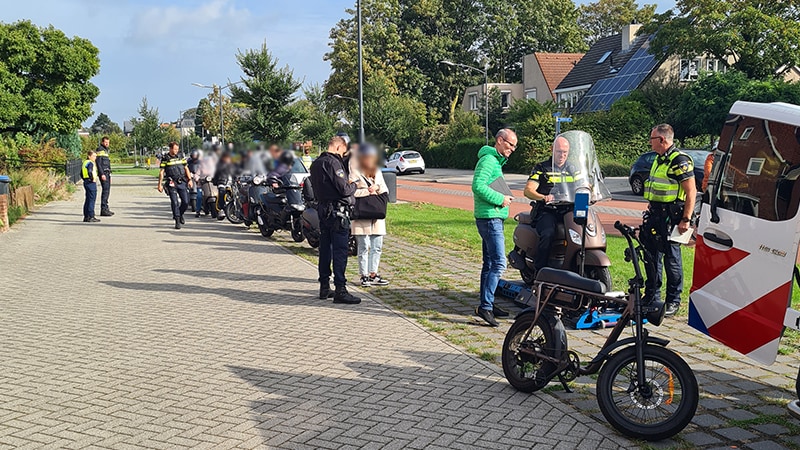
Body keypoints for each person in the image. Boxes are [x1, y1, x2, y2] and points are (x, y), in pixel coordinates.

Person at [643, 124, 696, 316]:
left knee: (672, 260)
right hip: (656, 214)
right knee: (651, 257)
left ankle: (673, 300)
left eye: (652, 139)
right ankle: (652, 296)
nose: (650, 142)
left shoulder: (679, 160)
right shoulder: (659, 159)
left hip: (673, 217)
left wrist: (686, 219)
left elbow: (691, 192)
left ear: (662, 140)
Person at [471, 129, 517, 327]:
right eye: (510, 144)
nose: (512, 149)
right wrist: (501, 199)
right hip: (490, 219)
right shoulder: (489, 160)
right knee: (499, 263)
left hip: (491, 217)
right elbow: (477, 185)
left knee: (489, 263)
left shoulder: (494, 160)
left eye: (514, 146)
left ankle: (487, 304)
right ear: (500, 140)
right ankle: (486, 307)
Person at [310, 135, 361, 304]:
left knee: (325, 249)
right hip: (337, 213)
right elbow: (344, 189)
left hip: (323, 211)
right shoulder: (333, 163)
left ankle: (324, 286)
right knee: (340, 251)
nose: (343, 156)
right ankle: (341, 289)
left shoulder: (316, 163)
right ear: (338, 147)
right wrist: (354, 184)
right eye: (343, 152)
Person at [523, 136, 583, 273]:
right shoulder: (541, 168)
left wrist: (593, 191)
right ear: (552, 150)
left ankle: (574, 267)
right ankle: (540, 271)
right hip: (547, 210)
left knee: (583, 231)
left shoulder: (573, 169)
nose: (562, 155)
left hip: (568, 209)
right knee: (548, 233)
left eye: (565, 152)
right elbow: (528, 190)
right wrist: (543, 197)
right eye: (559, 151)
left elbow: (584, 185)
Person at [350, 143, 390, 287]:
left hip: (376, 216)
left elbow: (385, 190)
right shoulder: (355, 171)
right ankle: (364, 275)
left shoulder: (378, 171)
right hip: (362, 215)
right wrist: (367, 191)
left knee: (377, 246)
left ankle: (374, 273)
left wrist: (377, 188)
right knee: (363, 246)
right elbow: (351, 192)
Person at [157, 142, 194, 230]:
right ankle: (177, 220)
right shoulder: (165, 158)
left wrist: (190, 180)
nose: (176, 151)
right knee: (174, 202)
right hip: (171, 182)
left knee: (185, 201)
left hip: (182, 181)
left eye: (177, 149)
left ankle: (180, 214)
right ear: (170, 149)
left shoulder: (181, 156)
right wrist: (160, 184)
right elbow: (161, 172)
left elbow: (186, 168)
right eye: (175, 149)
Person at [95, 136, 113, 216]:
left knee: (107, 191)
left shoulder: (105, 150)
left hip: (107, 173)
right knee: (105, 191)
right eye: (106, 142)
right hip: (104, 174)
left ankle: (106, 208)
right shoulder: (100, 150)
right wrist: (101, 174)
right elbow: (98, 163)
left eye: (108, 142)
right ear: (102, 142)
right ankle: (103, 209)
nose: (107, 144)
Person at [81, 150, 100, 223]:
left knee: (88, 199)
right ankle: (91, 216)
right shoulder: (90, 163)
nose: (95, 158)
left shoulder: (85, 163)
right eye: (94, 156)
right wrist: (92, 179)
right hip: (91, 183)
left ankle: (86, 216)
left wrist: (85, 179)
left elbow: (81, 173)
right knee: (92, 199)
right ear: (89, 156)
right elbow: (89, 171)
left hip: (86, 182)